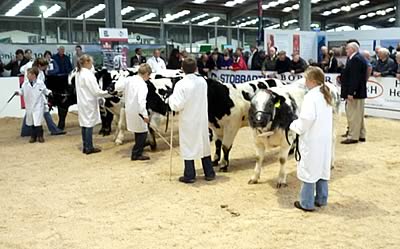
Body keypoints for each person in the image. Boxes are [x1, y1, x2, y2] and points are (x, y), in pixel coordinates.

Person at [289, 66, 333, 212]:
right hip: (324, 138)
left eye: (306, 78)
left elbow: (307, 119)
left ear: (312, 80)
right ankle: (321, 199)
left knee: (309, 169)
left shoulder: (311, 97)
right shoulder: (325, 94)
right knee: (321, 168)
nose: (305, 81)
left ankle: (306, 203)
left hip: (313, 139)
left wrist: (294, 126)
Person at [168, 58, 216, 183]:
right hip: (201, 118)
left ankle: (189, 174)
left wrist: (170, 99)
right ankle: (209, 172)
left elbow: (177, 105)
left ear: (182, 69)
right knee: (203, 144)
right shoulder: (202, 81)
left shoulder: (181, 84)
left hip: (188, 119)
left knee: (189, 145)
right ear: (196, 68)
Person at [75, 55, 110, 154]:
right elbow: (96, 91)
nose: (92, 64)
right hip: (89, 101)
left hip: (82, 101)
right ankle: (89, 147)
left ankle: (86, 146)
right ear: (86, 62)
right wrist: (109, 93)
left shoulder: (79, 73)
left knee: (84, 124)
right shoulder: (88, 75)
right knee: (88, 124)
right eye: (91, 62)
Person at [340, 42, 368, 144]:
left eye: (347, 49)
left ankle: (353, 136)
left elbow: (354, 78)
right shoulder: (357, 58)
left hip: (355, 93)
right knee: (358, 114)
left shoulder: (356, 59)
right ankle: (361, 134)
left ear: (352, 49)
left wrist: (351, 92)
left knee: (353, 115)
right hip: (358, 92)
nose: (346, 50)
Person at [125, 64, 153, 161]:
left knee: (137, 131)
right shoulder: (142, 85)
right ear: (145, 74)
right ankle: (136, 154)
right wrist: (145, 115)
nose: (148, 78)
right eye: (148, 75)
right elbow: (141, 102)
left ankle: (139, 148)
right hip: (138, 111)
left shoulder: (130, 79)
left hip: (130, 108)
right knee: (143, 132)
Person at [15, 67, 50, 143]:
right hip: (29, 105)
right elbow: (22, 91)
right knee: (32, 122)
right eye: (27, 74)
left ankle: (40, 136)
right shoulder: (25, 84)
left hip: (38, 106)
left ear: (34, 75)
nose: (27, 75)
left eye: (29, 74)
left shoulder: (40, 83)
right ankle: (33, 137)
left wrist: (49, 93)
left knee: (38, 122)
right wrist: (18, 92)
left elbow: (45, 90)